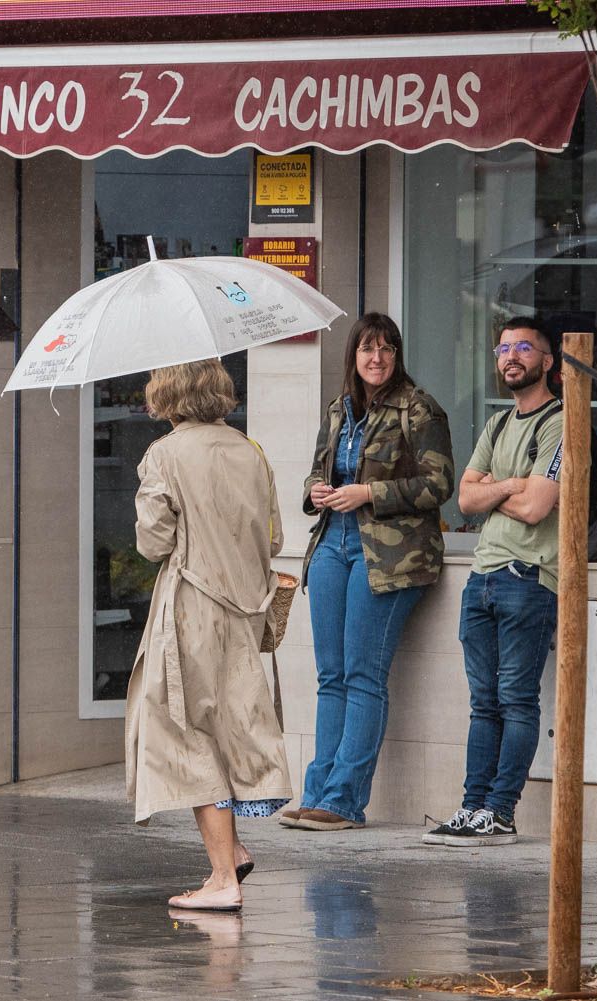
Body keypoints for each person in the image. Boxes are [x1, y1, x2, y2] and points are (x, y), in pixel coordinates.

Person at [126, 359, 291, 912]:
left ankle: (223, 878)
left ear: (167, 395)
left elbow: (153, 543)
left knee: (187, 733)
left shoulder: (163, 455)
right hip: (245, 610)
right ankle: (233, 851)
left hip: (191, 609)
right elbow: (273, 538)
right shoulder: (251, 451)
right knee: (225, 730)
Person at [283, 313, 455, 832]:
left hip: (388, 554)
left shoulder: (419, 408)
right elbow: (317, 470)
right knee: (330, 676)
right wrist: (315, 491)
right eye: (366, 349)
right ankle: (317, 792)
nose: (375, 358)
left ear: (396, 355)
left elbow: (439, 484)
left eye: (385, 349)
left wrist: (369, 493)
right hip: (331, 544)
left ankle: (343, 801)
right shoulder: (339, 409)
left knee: (362, 675)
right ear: (353, 356)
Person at [424, 316, 563, 847]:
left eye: (524, 348)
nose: (511, 357)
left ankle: (500, 812)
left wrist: (494, 489)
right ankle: (472, 807)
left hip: (528, 577)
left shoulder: (559, 422)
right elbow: (463, 499)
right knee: (483, 703)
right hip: (481, 576)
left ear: (547, 361)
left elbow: (536, 507)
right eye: (504, 349)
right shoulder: (499, 425)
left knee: (516, 700)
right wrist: (511, 484)